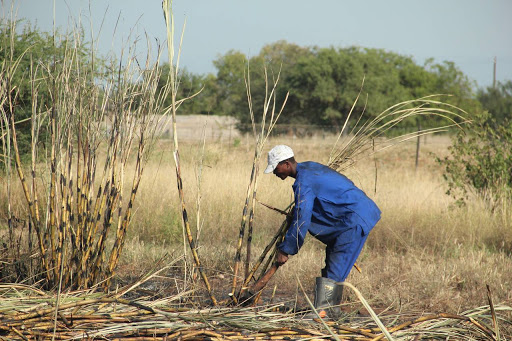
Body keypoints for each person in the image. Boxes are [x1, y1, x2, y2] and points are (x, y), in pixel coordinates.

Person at [264, 145, 381, 319]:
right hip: (352, 214)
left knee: (337, 261)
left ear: (287, 164)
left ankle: (323, 313)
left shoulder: (304, 182)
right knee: (333, 260)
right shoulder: (310, 167)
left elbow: (302, 218)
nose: (274, 172)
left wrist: (286, 249)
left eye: (276, 167)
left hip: (354, 218)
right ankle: (330, 310)